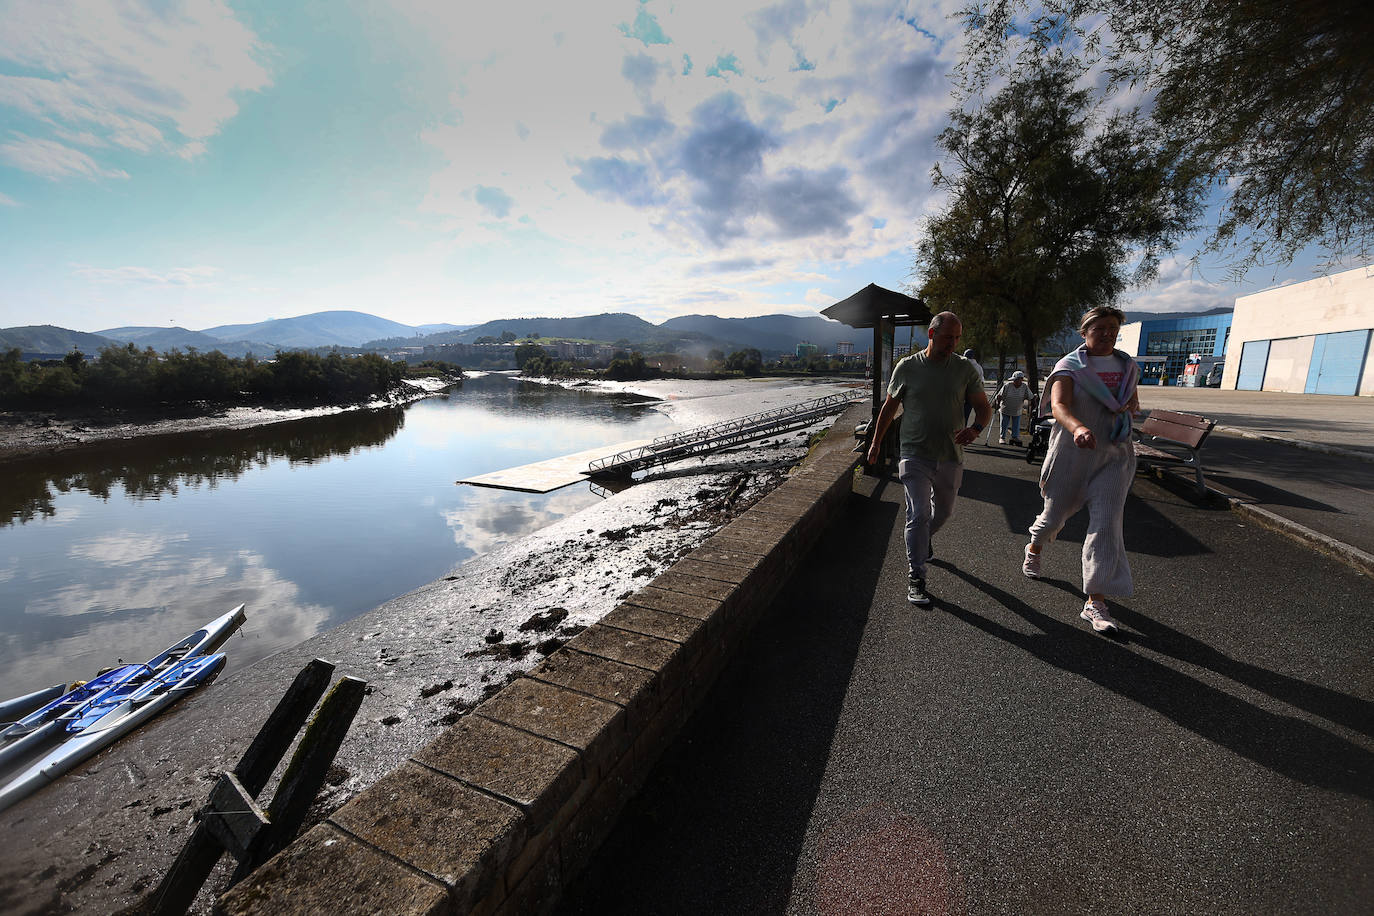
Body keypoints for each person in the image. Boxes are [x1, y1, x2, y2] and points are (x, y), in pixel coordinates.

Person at [1021, 305, 1140, 633]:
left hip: (1114, 456)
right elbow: (1058, 405)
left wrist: (1130, 408)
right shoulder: (1069, 366)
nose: (1107, 334)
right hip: (1072, 454)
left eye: (1112, 329)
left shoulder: (1127, 366)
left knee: (1106, 526)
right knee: (1053, 517)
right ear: (1084, 332)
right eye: (1099, 328)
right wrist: (1078, 428)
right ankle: (1035, 546)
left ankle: (1095, 602)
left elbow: (1133, 402)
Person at [866, 312, 992, 606]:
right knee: (918, 514)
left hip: (950, 454)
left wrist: (976, 429)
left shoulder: (964, 368)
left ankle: (923, 540)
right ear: (932, 334)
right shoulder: (907, 367)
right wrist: (875, 443)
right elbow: (889, 408)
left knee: (943, 513)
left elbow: (983, 407)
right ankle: (916, 576)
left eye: (957, 338)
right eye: (948, 337)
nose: (953, 343)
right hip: (914, 453)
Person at [992, 371, 1034, 445]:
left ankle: (1015, 437)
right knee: (1004, 424)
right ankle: (1002, 437)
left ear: (1021, 379)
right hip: (1005, 408)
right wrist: (997, 402)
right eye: (1015, 380)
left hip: (1017, 409)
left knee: (1016, 425)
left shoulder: (1024, 387)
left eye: (1018, 379)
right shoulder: (1007, 385)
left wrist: (1033, 399)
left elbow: (1030, 397)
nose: (1016, 381)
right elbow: (999, 396)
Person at [962, 348, 985, 425]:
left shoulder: (962, 364)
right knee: (967, 413)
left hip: (961, 392)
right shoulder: (979, 367)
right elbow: (982, 381)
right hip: (974, 393)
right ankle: (965, 427)